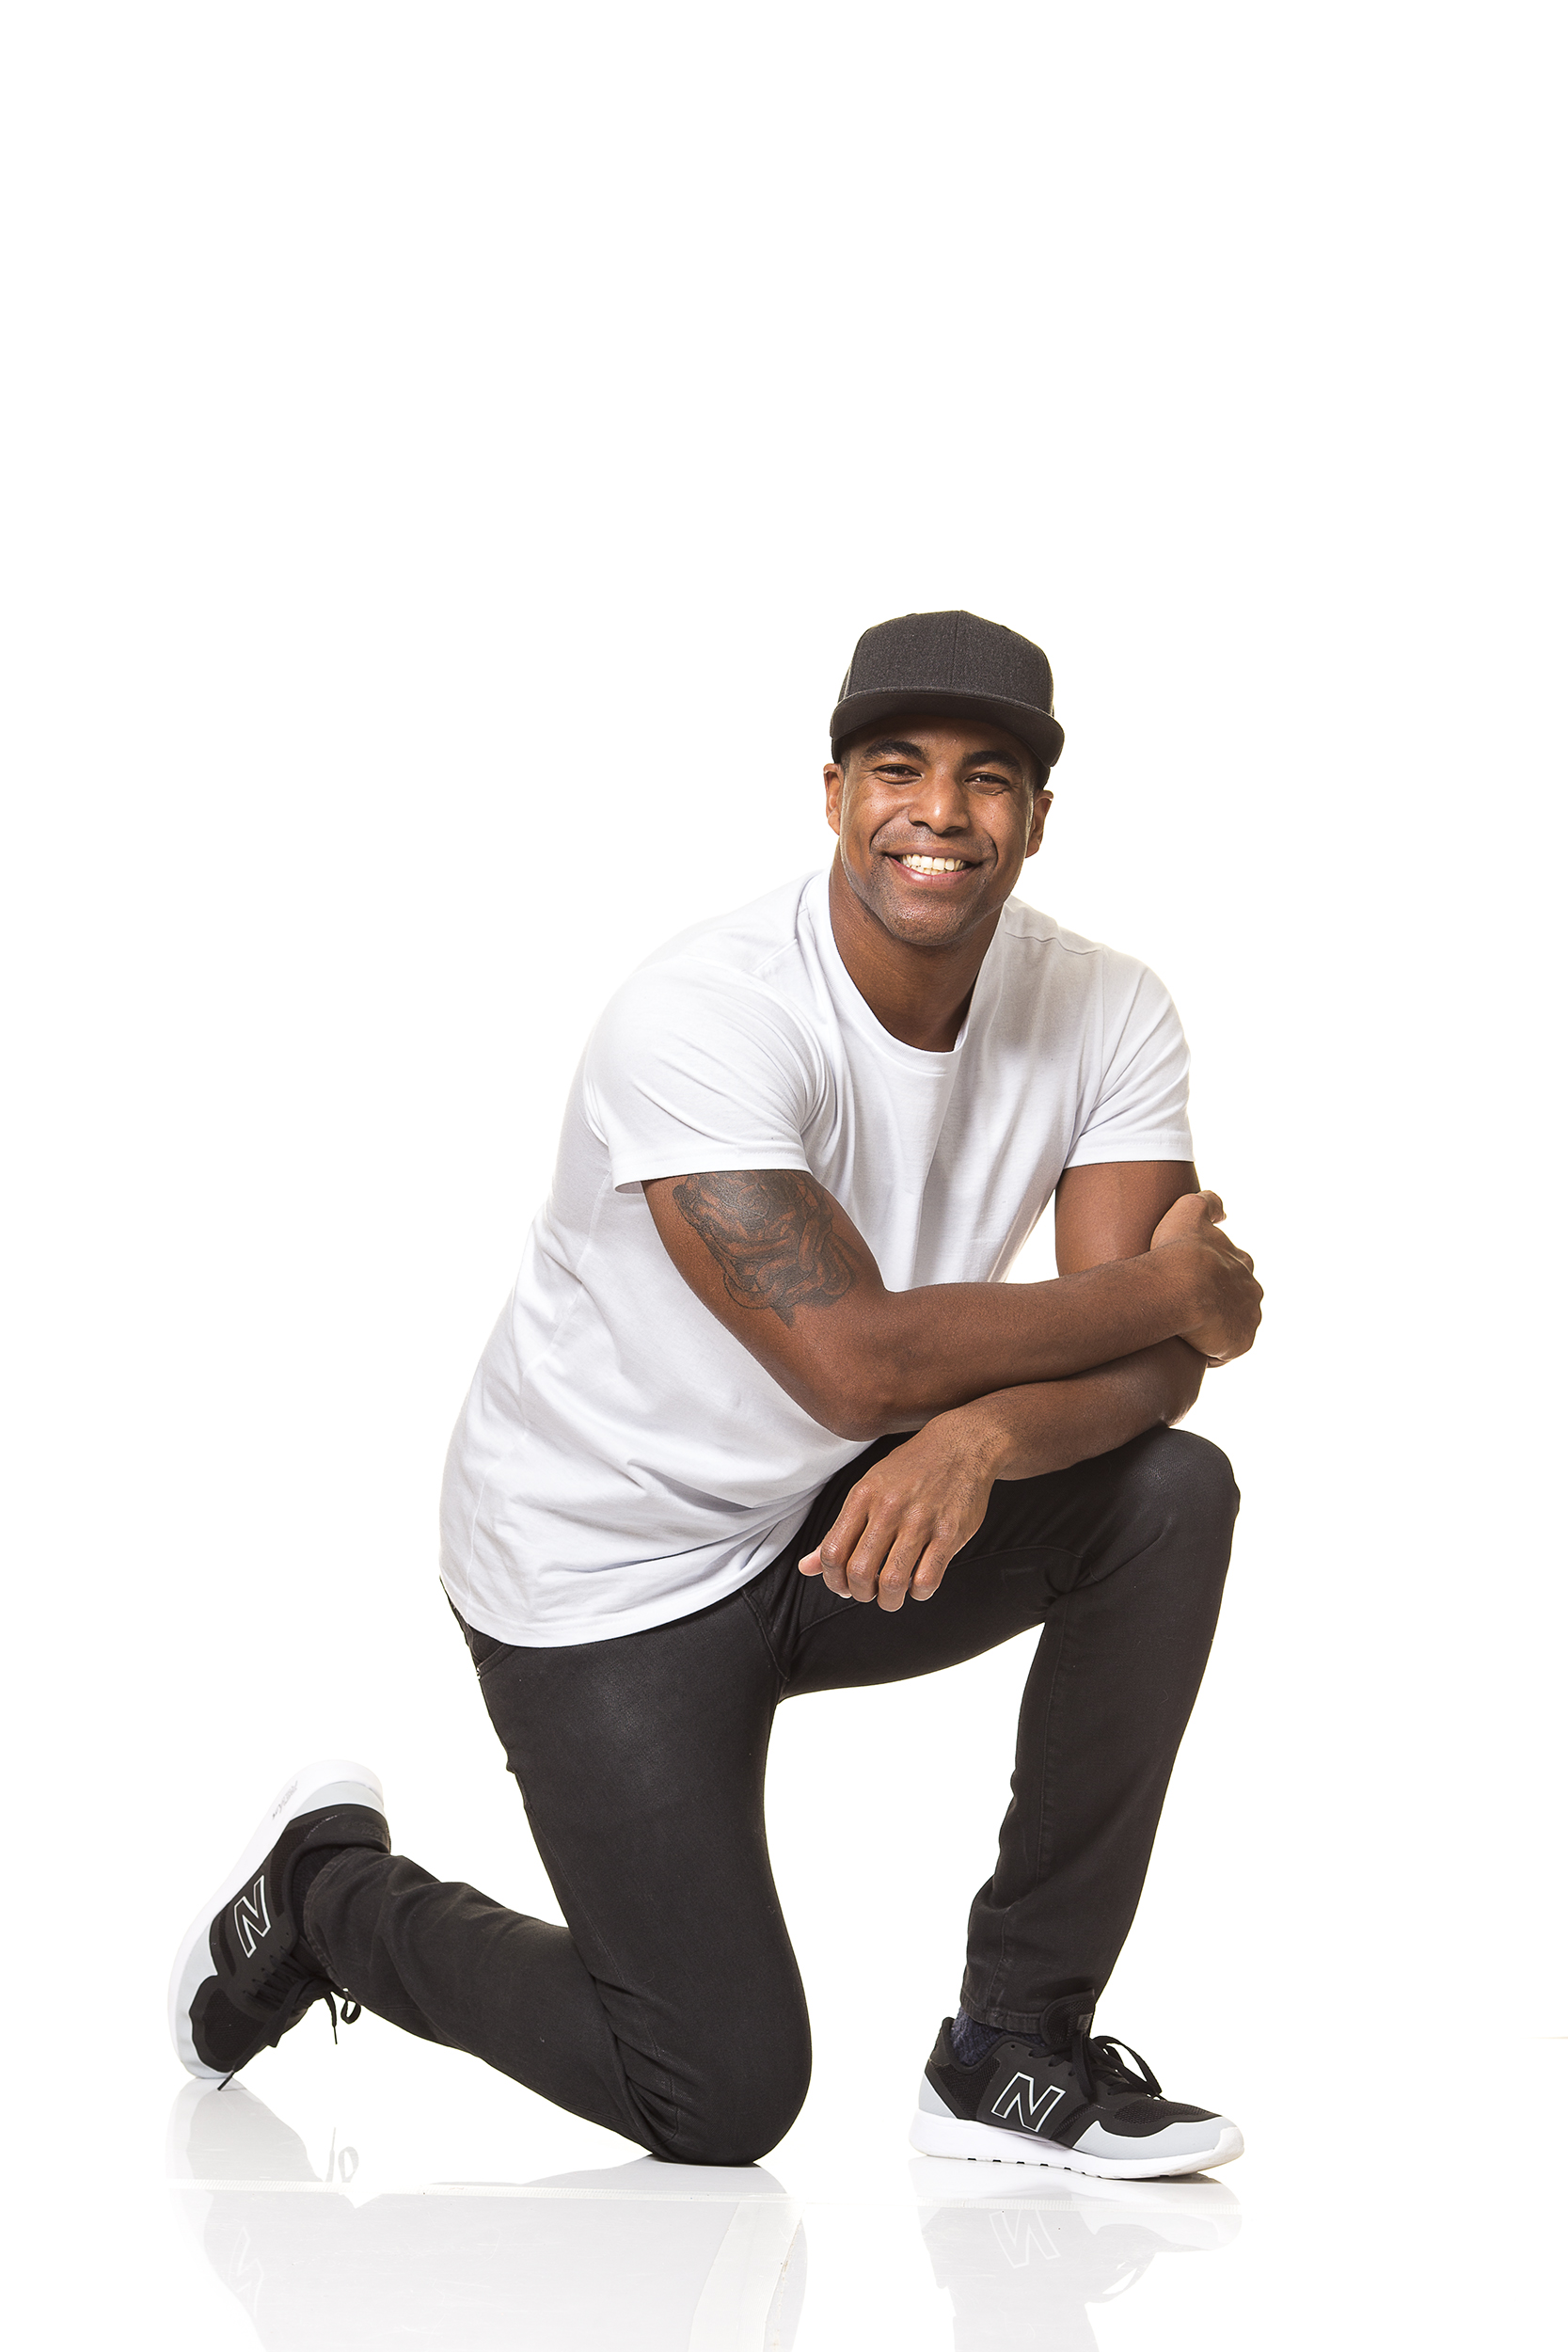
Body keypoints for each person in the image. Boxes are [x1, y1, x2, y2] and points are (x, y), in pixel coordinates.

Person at [169, 610, 1262, 2179]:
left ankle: (1014, 2050)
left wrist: (986, 1434)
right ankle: (328, 1897)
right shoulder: (703, 1017)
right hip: (598, 1568)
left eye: (987, 778)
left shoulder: (1110, 1007)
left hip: (833, 1516)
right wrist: (1175, 1291)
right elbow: (858, 1363)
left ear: (1037, 816)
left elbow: (1148, 1380)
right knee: (717, 2095)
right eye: (897, 768)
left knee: (1168, 1497)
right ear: (833, 795)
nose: (940, 812)